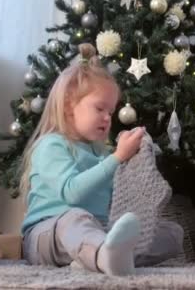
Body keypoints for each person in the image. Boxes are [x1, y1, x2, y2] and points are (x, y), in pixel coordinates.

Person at [19, 61, 146, 276]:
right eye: (99, 108)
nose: (107, 118)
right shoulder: (51, 145)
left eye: (111, 111)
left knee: (169, 232)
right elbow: (72, 193)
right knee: (75, 218)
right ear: (69, 105)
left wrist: (132, 160)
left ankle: (99, 255)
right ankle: (103, 254)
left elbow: (118, 198)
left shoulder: (102, 153)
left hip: (95, 230)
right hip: (46, 234)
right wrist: (117, 157)